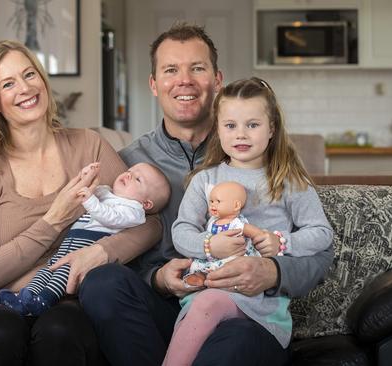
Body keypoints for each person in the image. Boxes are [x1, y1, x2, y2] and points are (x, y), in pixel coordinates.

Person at [79, 22, 334, 366]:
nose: (184, 80)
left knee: (235, 341)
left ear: (217, 80)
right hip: (167, 310)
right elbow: (105, 236)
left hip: (245, 312)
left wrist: (272, 272)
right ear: (154, 84)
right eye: (171, 70)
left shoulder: (273, 167)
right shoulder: (129, 164)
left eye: (197, 68)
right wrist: (157, 280)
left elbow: (319, 253)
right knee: (102, 283)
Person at [0, 40, 161, 366]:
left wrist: (101, 252)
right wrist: (53, 219)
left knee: (60, 330)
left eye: (29, 74)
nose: (25, 88)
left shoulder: (88, 146)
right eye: (8, 84)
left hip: (69, 303)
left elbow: (149, 223)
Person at [163, 77, 334, 366]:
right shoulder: (205, 180)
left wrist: (282, 242)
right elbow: (181, 231)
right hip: (208, 287)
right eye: (230, 125)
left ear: (272, 129)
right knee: (207, 304)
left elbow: (321, 233)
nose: (241, 134)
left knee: (209, 304)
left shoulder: (289, 182)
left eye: (252, 125)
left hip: (259, 305)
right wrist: (209, 245)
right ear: (217, 129)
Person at [0, 161, 170, 316]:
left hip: (89, 244)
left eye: (138, 179)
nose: (129, 175)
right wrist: (88, 176)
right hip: (72, 240)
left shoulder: (134, 211)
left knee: (63, 274)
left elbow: (111, 217)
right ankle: (25, 296)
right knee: (48, 269)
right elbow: (89, 189)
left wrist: (90, 200)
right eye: (130, 171)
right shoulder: (108, 192)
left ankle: (43, 300)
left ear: (146, 204)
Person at [182, 181, 266, 288]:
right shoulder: (212, 221)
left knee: (235, 266)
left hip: (233, 255)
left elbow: (256, 233)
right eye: (211, 201)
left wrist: (263, 240)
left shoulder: (237, 223)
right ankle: (200, 277)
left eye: (218, 201)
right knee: (198, 264)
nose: (213, 205)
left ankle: (220, 280)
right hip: (213, 256)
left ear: (236, 205)